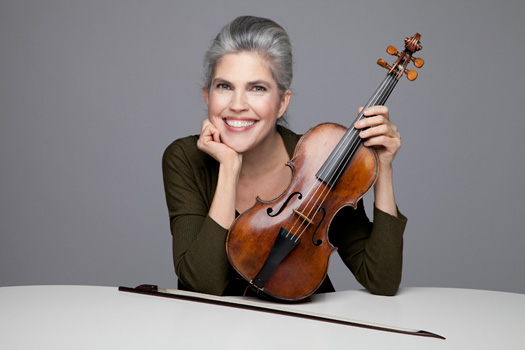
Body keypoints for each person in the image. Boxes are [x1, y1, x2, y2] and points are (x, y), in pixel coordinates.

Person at [162, 16, 407, 298]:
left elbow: (381, 280)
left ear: (282, 102)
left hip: (300, 328)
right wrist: (229, 168)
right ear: (207, 96)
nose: (238, 105)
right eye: (224, 86)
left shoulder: (321, 159)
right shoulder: (183, 158)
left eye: (257, 88)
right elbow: (201, 285)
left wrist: (384, 169)